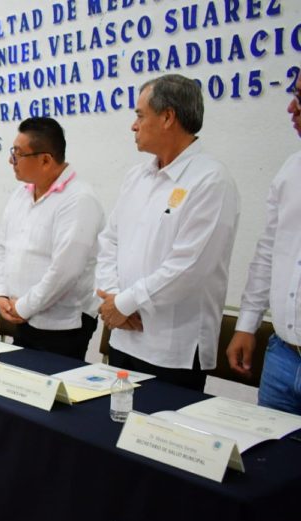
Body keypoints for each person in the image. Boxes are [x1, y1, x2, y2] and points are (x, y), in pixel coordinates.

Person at [95, 73, 240, 391]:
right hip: (124, 336)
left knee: (160, 440)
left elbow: (188, 268)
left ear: (167, 117)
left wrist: (124, 304)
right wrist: (114, 298)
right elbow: (109, 240)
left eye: (139, 115)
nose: (134, 125)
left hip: (173, 350)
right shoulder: (137, 176)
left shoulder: (210, 180)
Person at [0, 117, 104, 359]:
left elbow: (65, 271)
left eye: (18, 154)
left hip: (62, 326)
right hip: (21, 317)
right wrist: (0, 293)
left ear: (45, 159)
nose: (11, 161)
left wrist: (23, 307)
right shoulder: (20, 195)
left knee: (54, 394)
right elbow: (3, 248)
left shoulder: (79, 200)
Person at [226, 69, 301, 414]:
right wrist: (246, 324)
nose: (291, 107)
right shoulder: (291, 170)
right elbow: (268, 253)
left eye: (300, 98)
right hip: (283, 355)